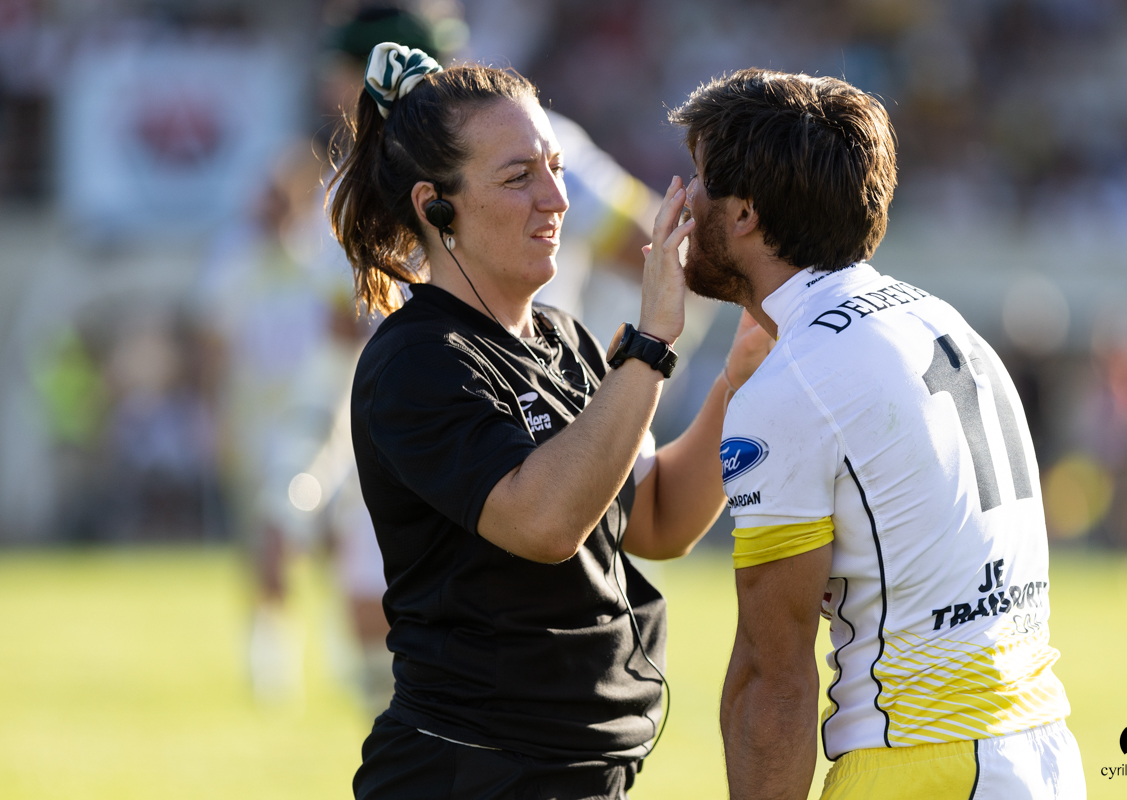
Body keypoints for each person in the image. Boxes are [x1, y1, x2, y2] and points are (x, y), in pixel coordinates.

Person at [328, 44, 771, 798]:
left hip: (578, 773)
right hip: (471, 774)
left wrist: (739, 378)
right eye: (518, 176)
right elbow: (544, 522)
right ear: (436, 207)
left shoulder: (562, 338)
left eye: (556, 168)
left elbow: (655, 518)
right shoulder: (416, 361)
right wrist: (650, 346)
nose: (558, 200)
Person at [668, 70, 1086, 798]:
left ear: (743, 215)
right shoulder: (941, 319)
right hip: (1041, 750)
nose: (679, 199)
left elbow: (774, 679)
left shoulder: (794, 380)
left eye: (699, 179)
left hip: (926, 762)